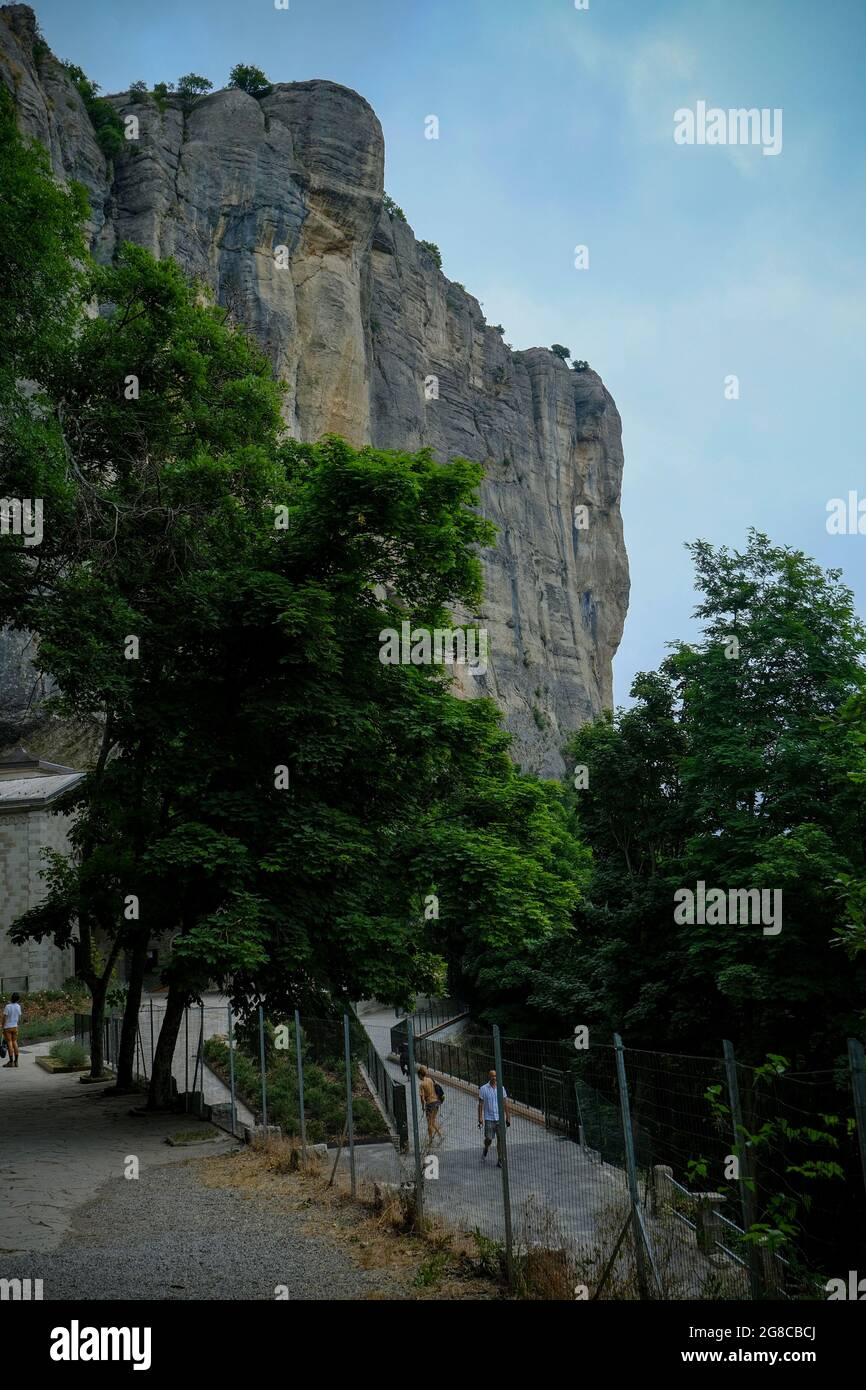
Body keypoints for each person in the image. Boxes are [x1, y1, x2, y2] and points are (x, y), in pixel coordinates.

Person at [478, 1068, 510, 1166]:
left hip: (499, 1118)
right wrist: (480, 1118)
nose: (494, 1078)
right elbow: (480, 1104)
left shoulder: (501, 1088)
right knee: (489, 1138)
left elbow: (505, 1103)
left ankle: (500, 1159)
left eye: (495, 1076)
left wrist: (508, 1116)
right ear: (489, 1077)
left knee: (501, 1140)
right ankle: (486, 1148)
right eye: (492, 1076)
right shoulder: (483, 1089)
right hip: (489, 1118)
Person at [417, 1065, 443, 1144]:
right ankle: (441, 1135)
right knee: (433, 1121)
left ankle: (430, 1140)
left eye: (418, 1075)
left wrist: (422, 1107)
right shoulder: (430, 1080)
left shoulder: (422, 1084)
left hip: (429, 1104)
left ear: (420, 1075)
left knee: (429, 1123)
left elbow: (422, 1098)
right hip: (436, 1102)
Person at [3, 992, 22, 1069]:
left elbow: (4, 1018)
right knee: (15, 1042)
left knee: (9, 1043)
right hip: (15, 1026)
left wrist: (2, 1026)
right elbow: (19, 1017)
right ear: (18, 999)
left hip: (7, 1027)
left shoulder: (8, 1006)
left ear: (11, 998)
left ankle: (11, 1062)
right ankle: (16, 1061)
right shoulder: (18, 1006)